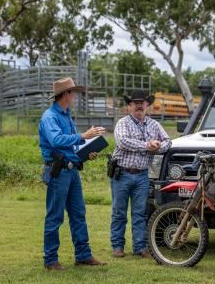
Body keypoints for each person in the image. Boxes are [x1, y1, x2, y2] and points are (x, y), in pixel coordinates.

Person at [39, 77, 107, 270]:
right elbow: (57, 140)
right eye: (74, 93)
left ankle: (83, 255)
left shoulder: (66, 115)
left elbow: (72, 144)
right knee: (55, 216)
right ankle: (50, 260)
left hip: (71, 170)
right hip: (59, 172)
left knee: (78, 214)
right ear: (66, 95)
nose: (76, 96)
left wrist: (87, 152)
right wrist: (84, 136)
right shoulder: (49, 117)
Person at [110, 90, 172, 258]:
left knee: (140, 213)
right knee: (119, 211)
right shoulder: (122, 123)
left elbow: (168, 141)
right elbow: (122, 142)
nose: (138, 105)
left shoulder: (154, 124)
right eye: (135, 102)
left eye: (142, 102)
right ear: (129, 105)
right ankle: (117, 246)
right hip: (121, 173)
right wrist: (147, 145)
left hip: (143, 175)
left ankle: (140, 247)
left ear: (147, 105)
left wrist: (158, 146)